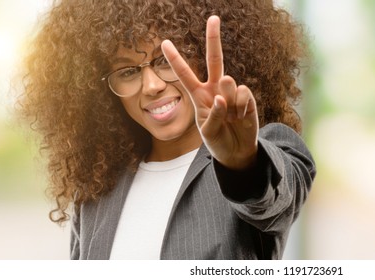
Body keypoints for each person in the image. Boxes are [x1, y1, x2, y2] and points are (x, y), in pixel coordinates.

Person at [16, 0, 315, 260]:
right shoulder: (99, 187)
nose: (152, 86)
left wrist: (241, 164)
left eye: (165, 60)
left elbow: (275, 199)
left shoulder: (263, 153)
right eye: (128, 71)